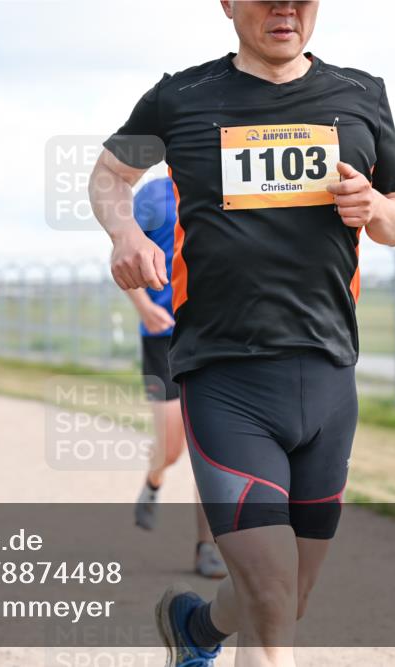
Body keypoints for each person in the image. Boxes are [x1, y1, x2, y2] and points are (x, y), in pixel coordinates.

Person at [90, 2, 395, 665]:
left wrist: (378, 207)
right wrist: (123, 231)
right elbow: (109, 176)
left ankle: (198, 628)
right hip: (225, 377)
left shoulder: (362, 95)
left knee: (285, 596)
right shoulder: (180, 97)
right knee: (270, 600)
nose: (287, 9)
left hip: (328, 378)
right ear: (229, 4)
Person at [129, 177, 227, 580]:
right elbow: (124, 255)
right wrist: (142, 307)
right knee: (171, 447)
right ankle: (154, 479)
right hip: (161, 335)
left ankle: (208, 546)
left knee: (214, 448)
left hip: (212, 335)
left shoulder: (228, 182)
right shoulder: (152, 195)